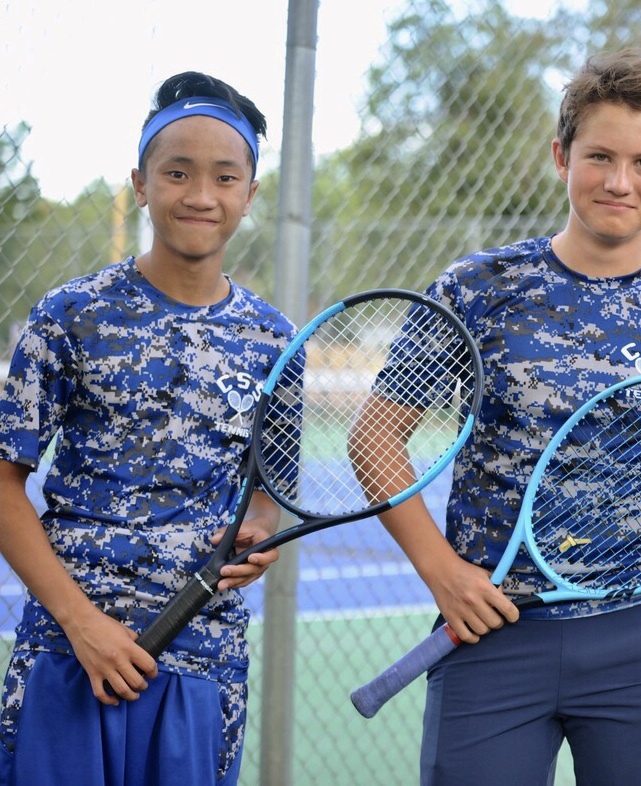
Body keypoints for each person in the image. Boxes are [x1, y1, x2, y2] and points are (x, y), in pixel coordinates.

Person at [353, 49, 641, 785]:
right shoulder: (477, 288)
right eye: (600, 157)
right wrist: (441, 573)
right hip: (490, 635)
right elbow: (375, 435)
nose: (620, 182)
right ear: (562, 157)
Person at [0, 71, 294, 785]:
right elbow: (5, 485)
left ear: (249, 194)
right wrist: (82, 624)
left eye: (225, 177)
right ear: (140, 182)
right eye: (177, 172)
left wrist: (259, 531)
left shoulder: (275, 339)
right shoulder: (72, 314)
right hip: (69, 654)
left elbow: (267, 495)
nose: (200, 195)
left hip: (202, 664)